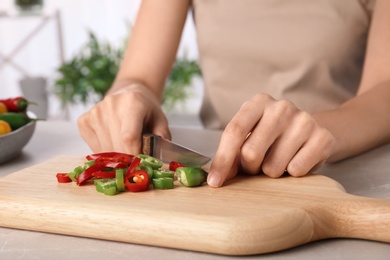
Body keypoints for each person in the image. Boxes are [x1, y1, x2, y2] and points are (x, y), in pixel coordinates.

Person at [78, 0, 390, 188]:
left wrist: (320, 132)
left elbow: (384, 90)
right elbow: (138, 76)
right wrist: (130, 95)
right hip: (226, 172)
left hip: (340, 169)